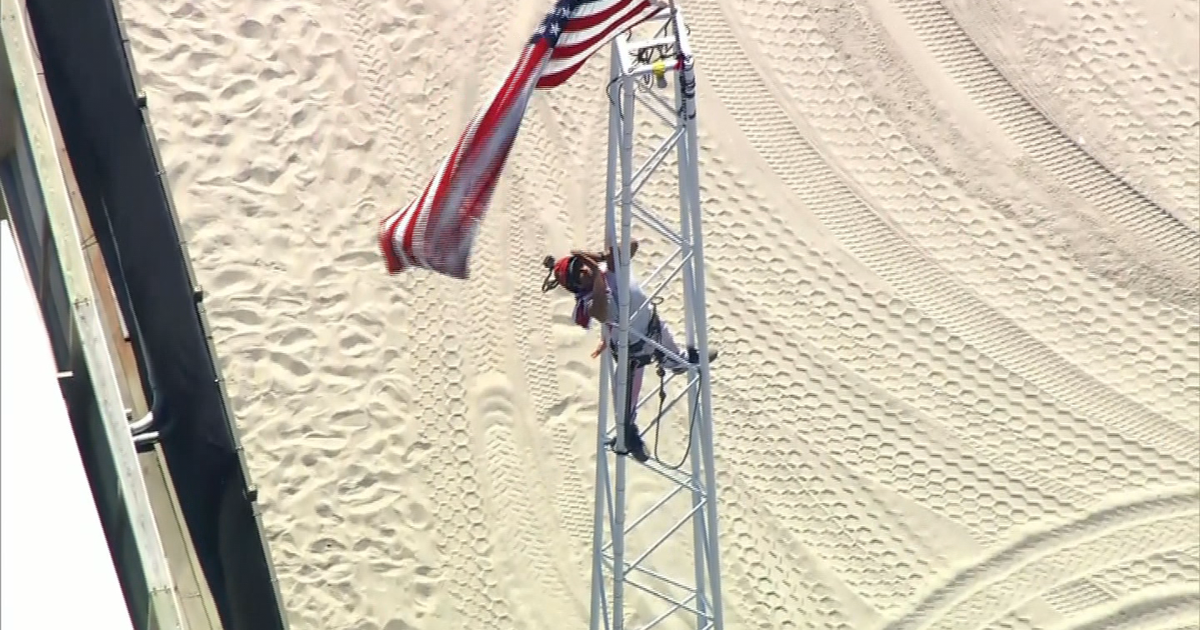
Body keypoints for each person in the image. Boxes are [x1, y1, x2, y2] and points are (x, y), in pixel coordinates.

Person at [541, 240, 717, 462]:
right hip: (631, 353)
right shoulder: (586, 302)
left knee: (676, 357)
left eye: (580, 265)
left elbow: (632, 245)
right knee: (624, 407)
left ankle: (681, 362)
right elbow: (603, 313)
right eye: (578, 274)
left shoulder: (612, 267)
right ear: (575, 286)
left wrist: (600, 257)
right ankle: (629, 438)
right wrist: (596, 277)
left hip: (653, 327)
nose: (583, 271)